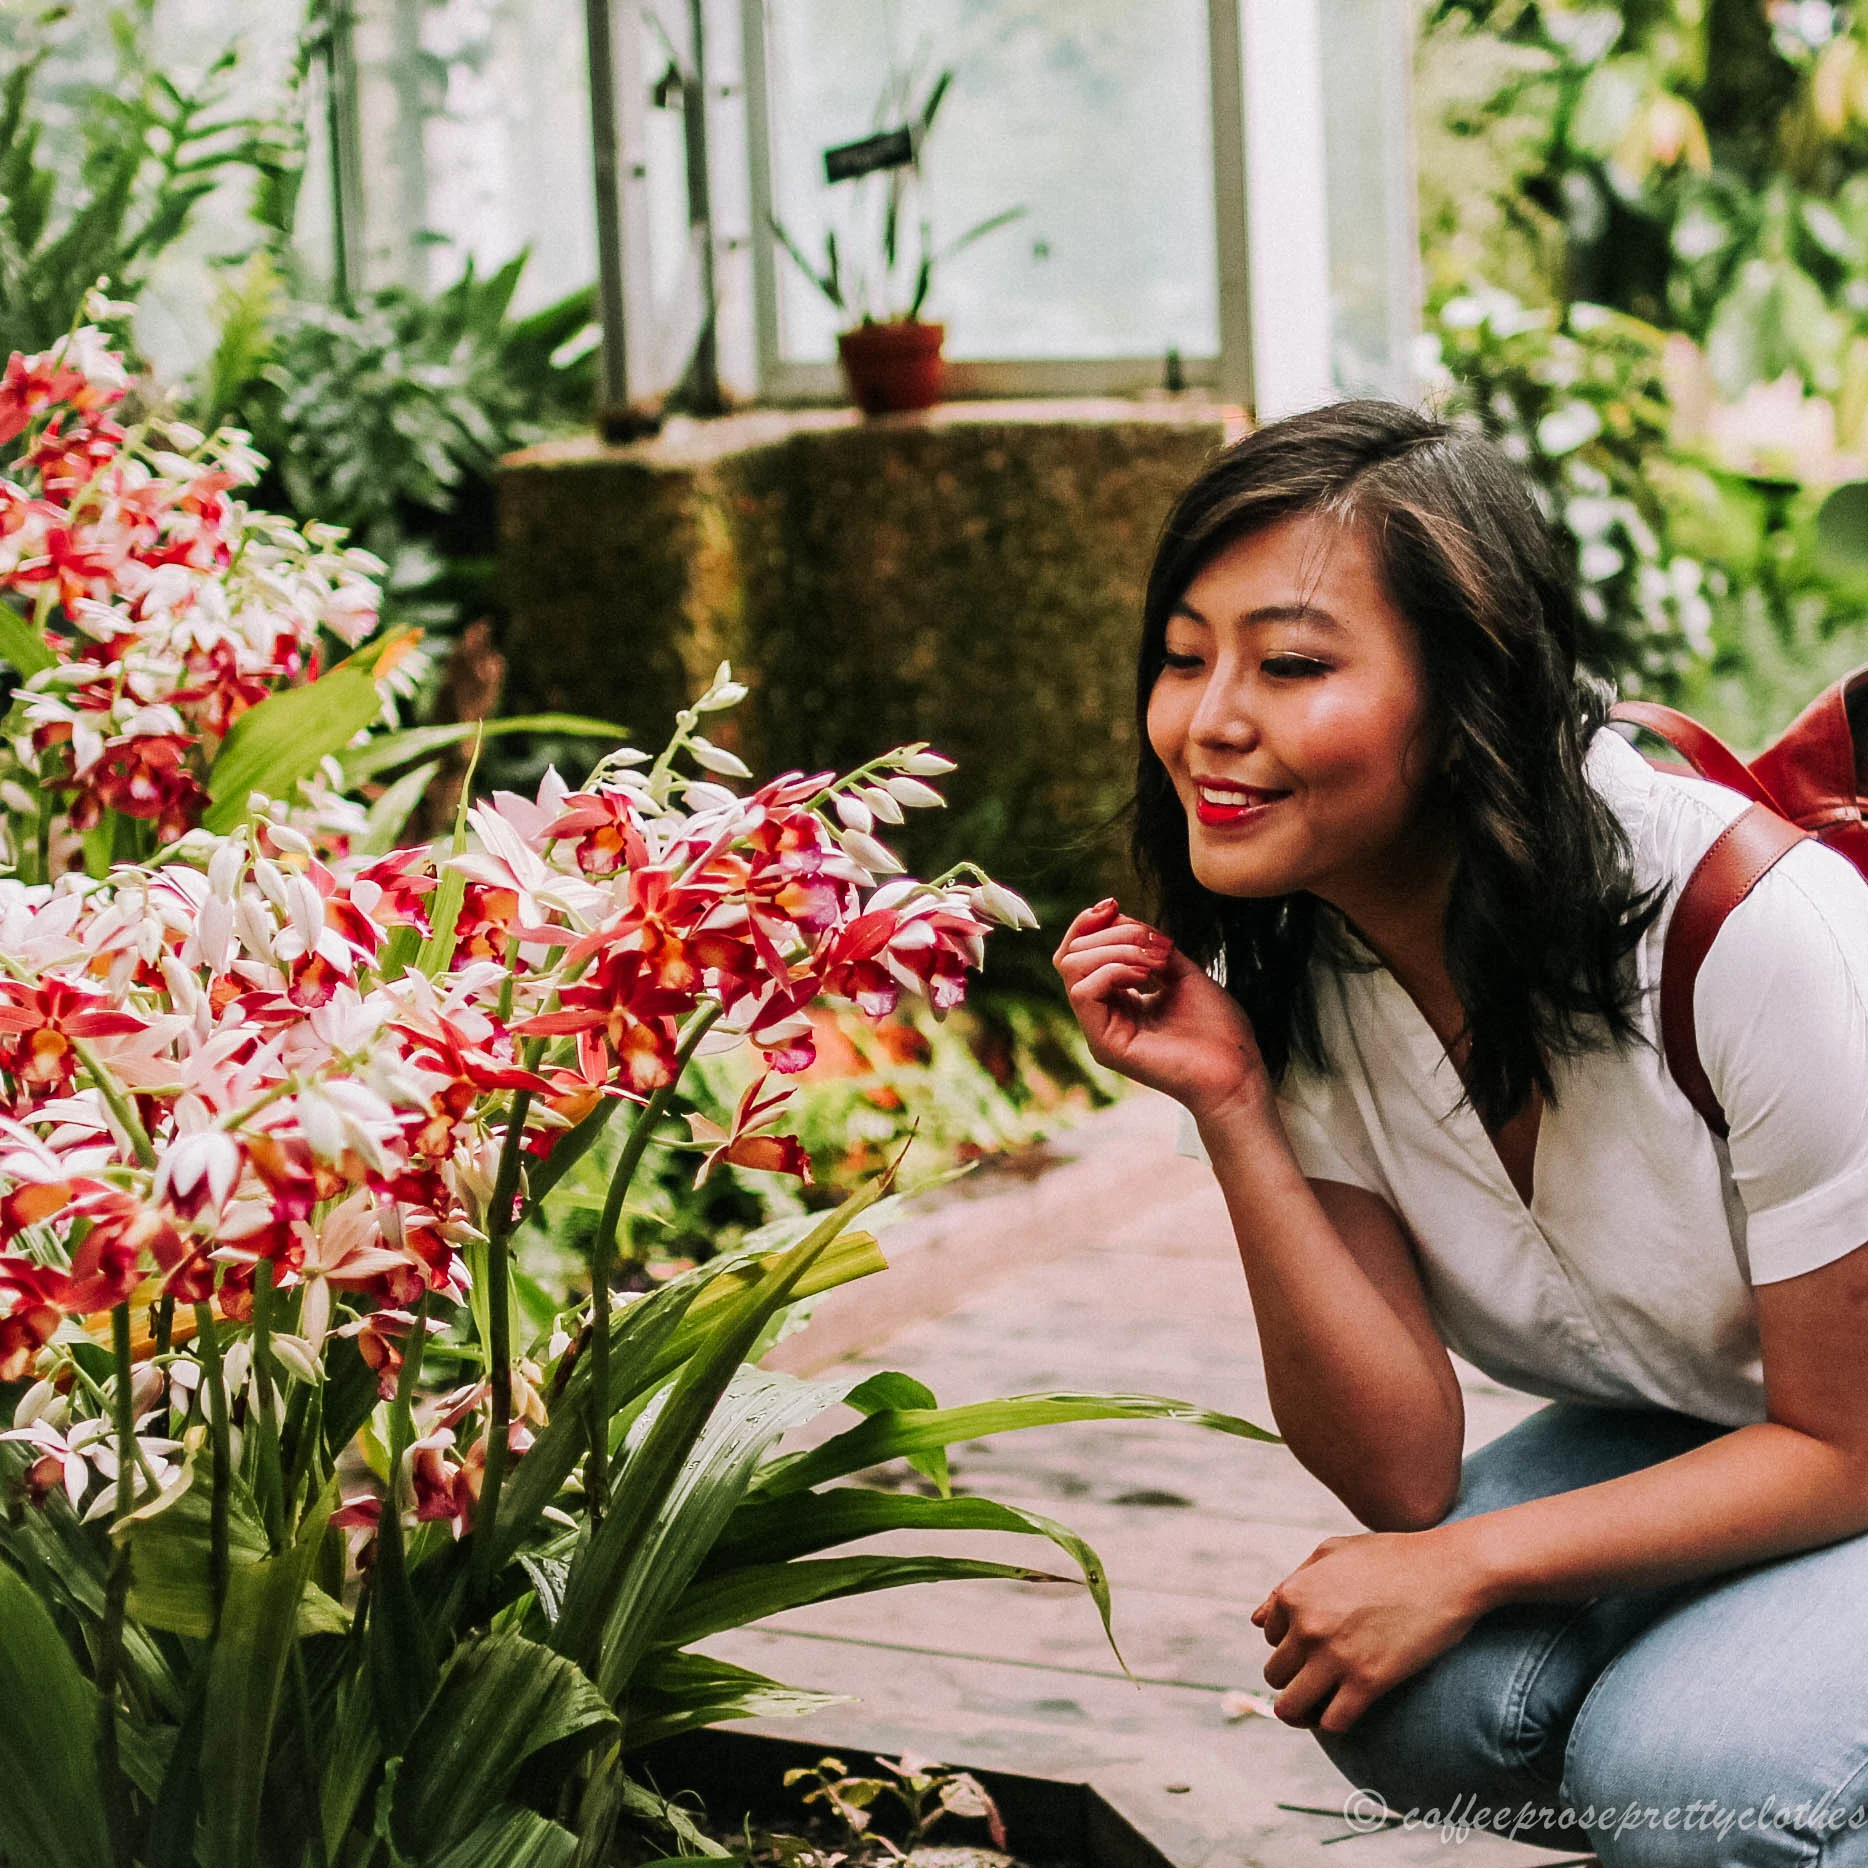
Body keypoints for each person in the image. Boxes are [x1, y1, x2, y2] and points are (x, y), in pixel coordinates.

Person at [1052, 401, 1868, 1867]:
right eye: (1184, 657)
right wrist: (1234, 1104)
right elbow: (1402, 1474)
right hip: (1724, 1417)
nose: (1211, 720)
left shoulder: (1757, 934)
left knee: (1690, 1774)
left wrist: (1472, 1566)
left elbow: (1848, 1446)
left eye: (1291, 664)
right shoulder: (1297, 953)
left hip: (1849, 1435)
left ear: (1468, 697)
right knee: (1413, 1697)